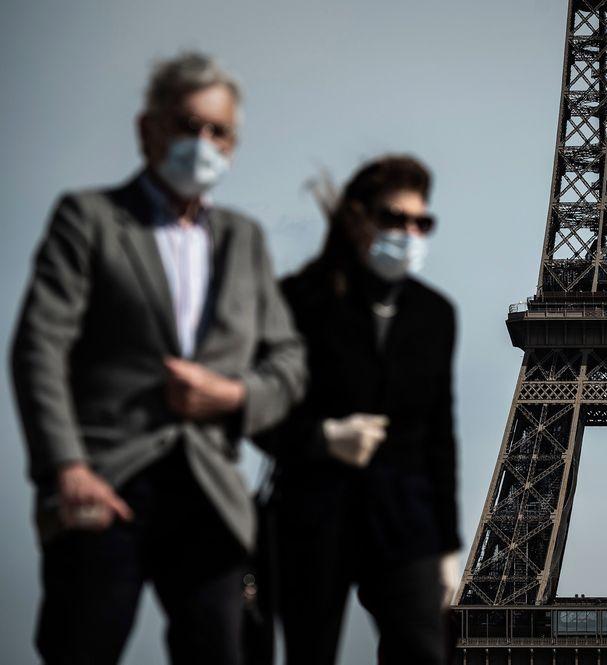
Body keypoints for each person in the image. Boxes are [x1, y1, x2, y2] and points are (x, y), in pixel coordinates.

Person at [9, 52, 306, 665]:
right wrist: (67, 467)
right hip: (106, 483)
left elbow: (289, 362)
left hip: (209, 493)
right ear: (147, 129)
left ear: (234, 144)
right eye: (187, 125)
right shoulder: (89, 219)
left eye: (218, 131)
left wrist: (231, 396)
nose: (203, 143)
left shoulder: (244, 239)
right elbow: (40, 344)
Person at [255, 155, 460, 665]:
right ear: (356, 217)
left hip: (405, 522)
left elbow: (440, 434)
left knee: (422, 653)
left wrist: (449, 548)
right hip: (314, 513)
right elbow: (258, 411)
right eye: (395, 218)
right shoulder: (299, 300)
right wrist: (324, 438)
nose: (409, 233)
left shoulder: (434, 314)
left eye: (421, 222)